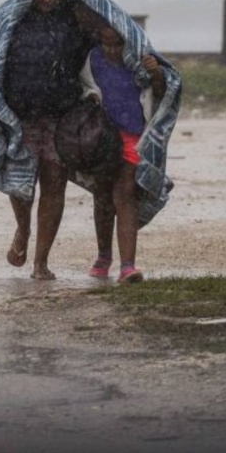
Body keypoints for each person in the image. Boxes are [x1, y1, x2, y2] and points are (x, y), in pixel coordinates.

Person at [0, 0, 98, 280]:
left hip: (61, 116)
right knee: (20, 186)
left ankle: (41, 262)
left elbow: (102, 50)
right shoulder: (13, 19)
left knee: (54, 185)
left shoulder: (73, 22)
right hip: (20, 117)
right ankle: (22, 229)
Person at [80, 25, 166, 283]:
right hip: (101, 137)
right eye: (106, 44)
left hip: (132, 136)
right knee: (102, 196)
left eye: (117, 44)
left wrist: (156, 73)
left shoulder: (140, 62)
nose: (112, 50)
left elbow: (161, 92)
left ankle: (128, 266)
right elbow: (82, 88)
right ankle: (104, 256)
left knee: (125, 195)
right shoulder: (91, 60)